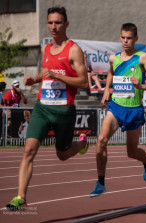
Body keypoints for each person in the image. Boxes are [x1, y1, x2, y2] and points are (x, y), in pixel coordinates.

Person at [6, 6, 89, 210]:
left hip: (63, 111)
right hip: (43, 108)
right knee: (28, 150)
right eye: (50, 23)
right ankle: (21, 198)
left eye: (58, 22)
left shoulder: (74, 49)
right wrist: (33, 79)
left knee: (62, 154)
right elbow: (45, 73)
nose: (54, 26)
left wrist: (58, 75)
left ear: (66, 24)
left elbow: (84, 82)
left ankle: (80, 144)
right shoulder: (45, 49)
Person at [89, 23, 146, 197]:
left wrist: (141, 86)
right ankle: (101, 182)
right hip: (116, 107)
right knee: (101, 139)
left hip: (134, 109)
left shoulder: (142, 58)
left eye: (129, 38)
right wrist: (106, 90)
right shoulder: (114, 58)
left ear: (136, 38)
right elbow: (111, 73)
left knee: (131, 152)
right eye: (123, 38)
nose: (125, 41)